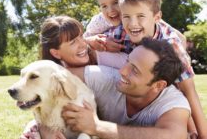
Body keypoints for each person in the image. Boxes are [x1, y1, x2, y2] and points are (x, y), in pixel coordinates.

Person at [102, 0, 206, 139]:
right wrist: (92, 41)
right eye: (126, 17)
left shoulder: (172, 47)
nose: (132, 23)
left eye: (140, 16)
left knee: (177, 93)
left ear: (156, 17)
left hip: (166, 81)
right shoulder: (120, 32)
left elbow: (189, 91)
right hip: (140, 77)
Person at [62, 38, 191, 139]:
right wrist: (47, 129)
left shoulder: (173, 102)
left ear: (158, 85)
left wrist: (97, 126)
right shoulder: (105, 77)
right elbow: (52, 75)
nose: (122, 71)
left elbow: (174, 136)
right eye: (127, 61)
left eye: (134, 70)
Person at [83, 0, 186, 69]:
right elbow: (83, 40)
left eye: (115, 2)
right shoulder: (101, 20)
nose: (110, 10)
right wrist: (93, 41)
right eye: (104, 6)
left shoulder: (149, 20)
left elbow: (181, 39)